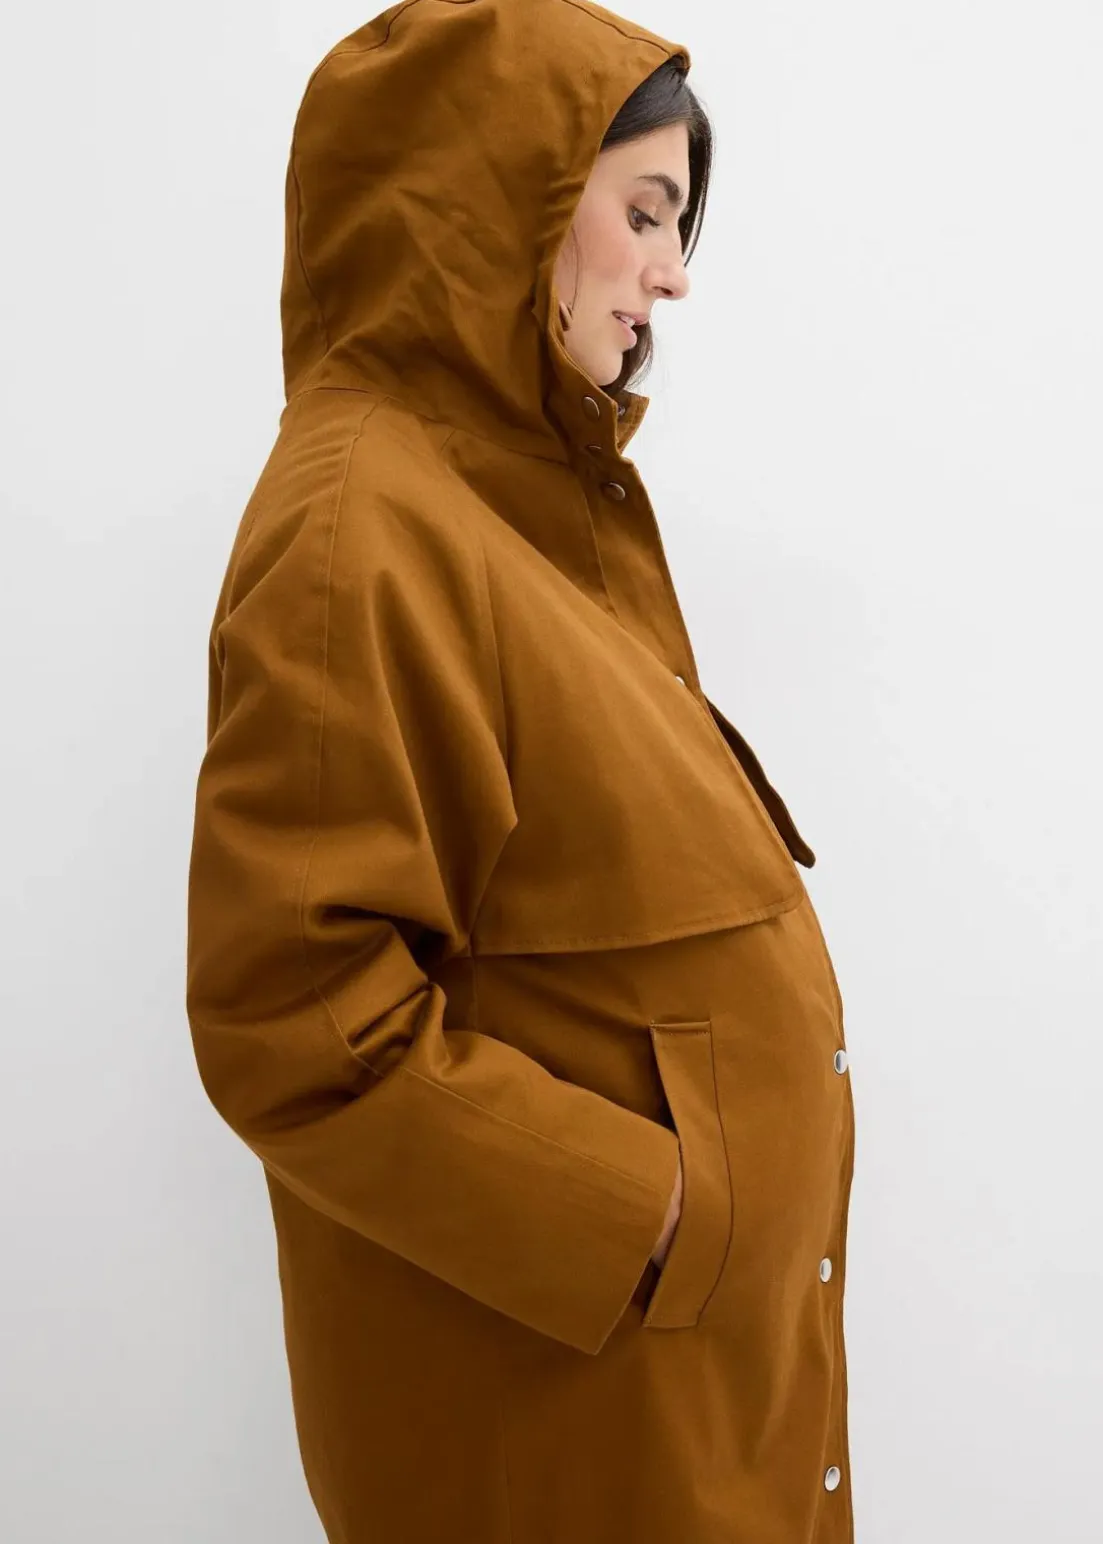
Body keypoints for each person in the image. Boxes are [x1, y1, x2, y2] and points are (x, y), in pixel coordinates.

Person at [185, 2, 856, 1541]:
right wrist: (650, 1209)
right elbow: (292, 1016)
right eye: (645, 212)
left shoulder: (514, 506)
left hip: (664, 1399)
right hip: (563, 1418)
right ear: (506, 198)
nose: (673, 275)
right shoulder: (360, 527)